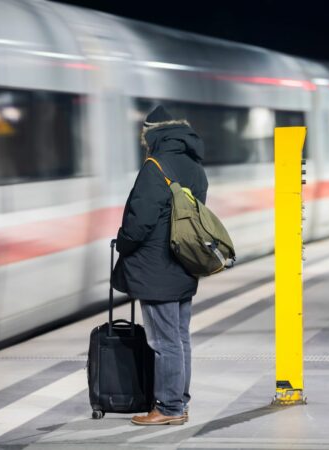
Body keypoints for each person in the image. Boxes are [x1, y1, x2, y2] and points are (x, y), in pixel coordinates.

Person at [112, 105, 208, 426]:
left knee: (164, 341)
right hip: (184, 262)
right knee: (180, 338)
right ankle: (179, 401)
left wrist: (122, 243)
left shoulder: (155, 166)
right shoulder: (195, 166)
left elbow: (139, 223)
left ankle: (168, 408)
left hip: (156, 269)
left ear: (151, 134)